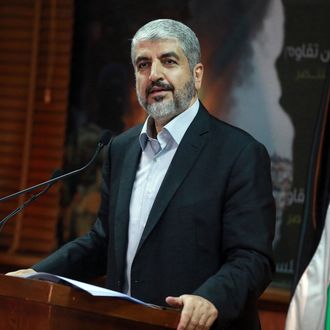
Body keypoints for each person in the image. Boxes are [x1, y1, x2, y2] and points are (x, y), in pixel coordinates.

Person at [7, 19, 275, 330]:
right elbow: (102, 241)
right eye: (143, 64)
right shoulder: (122, 149)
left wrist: (211, 298)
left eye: (169, 61)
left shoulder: (239, 153)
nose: (155, 75)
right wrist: (35, 275)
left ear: (197, 75)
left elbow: (253, 258)